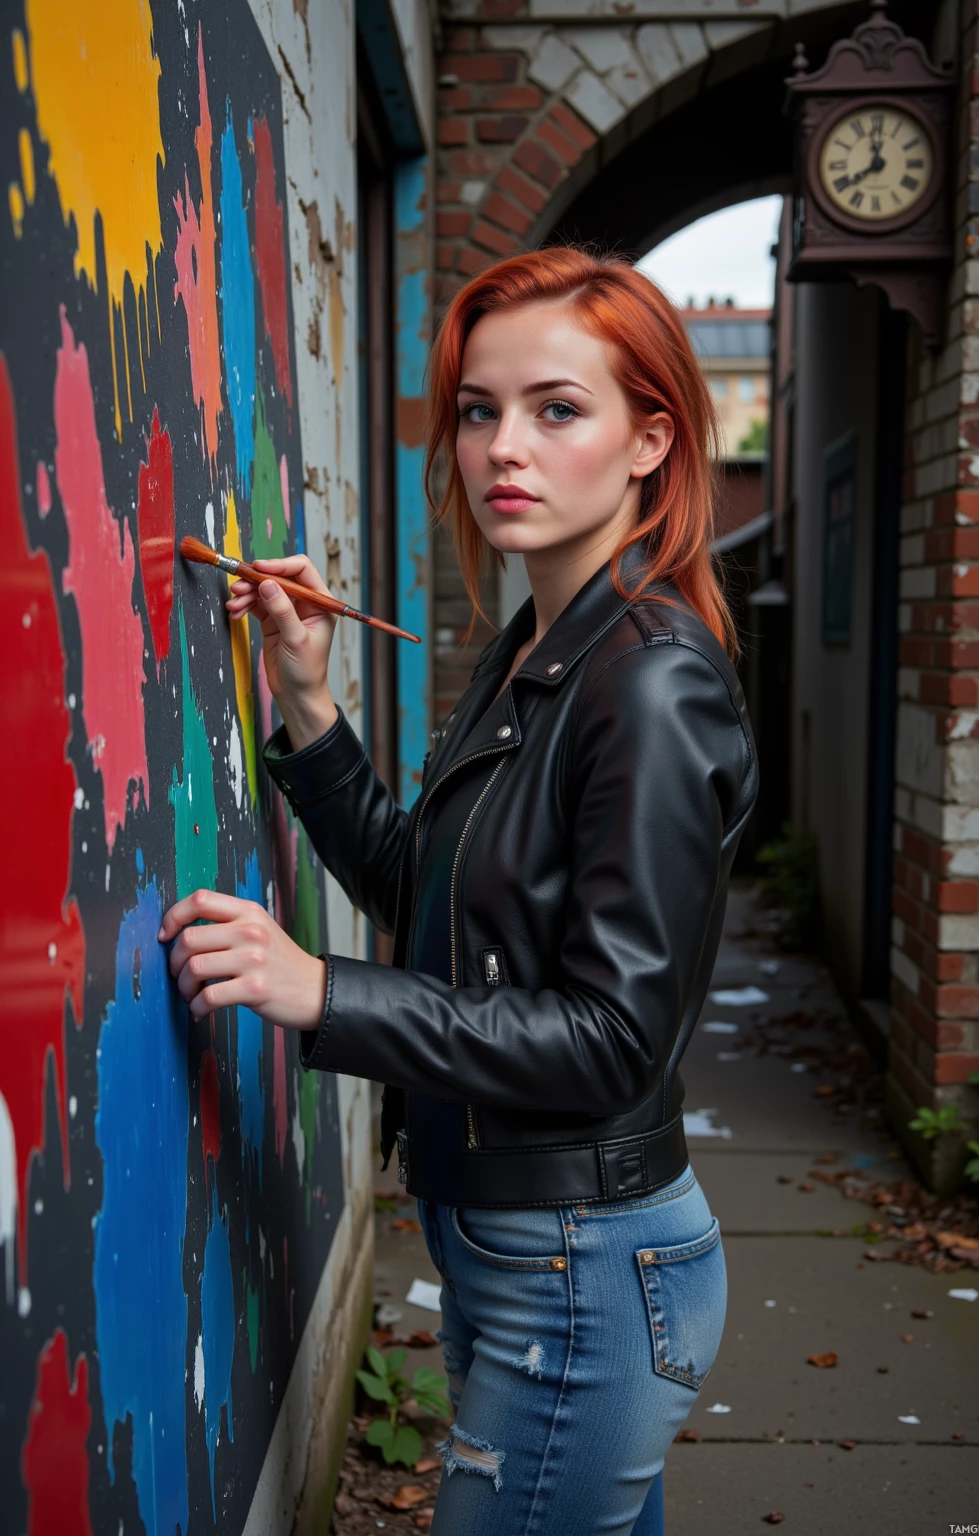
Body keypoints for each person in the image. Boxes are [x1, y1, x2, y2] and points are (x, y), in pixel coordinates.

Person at [160, 246, 759, 1535]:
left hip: (585, 1269)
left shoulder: (649, 681)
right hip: (520, 1249)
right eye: (480, 410)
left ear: (652, 440)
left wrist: (323, 993)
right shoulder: (539, 648)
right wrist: (311, 707)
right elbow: (434, 903)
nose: (504, 448)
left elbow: (612, 1040)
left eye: (558, 409)